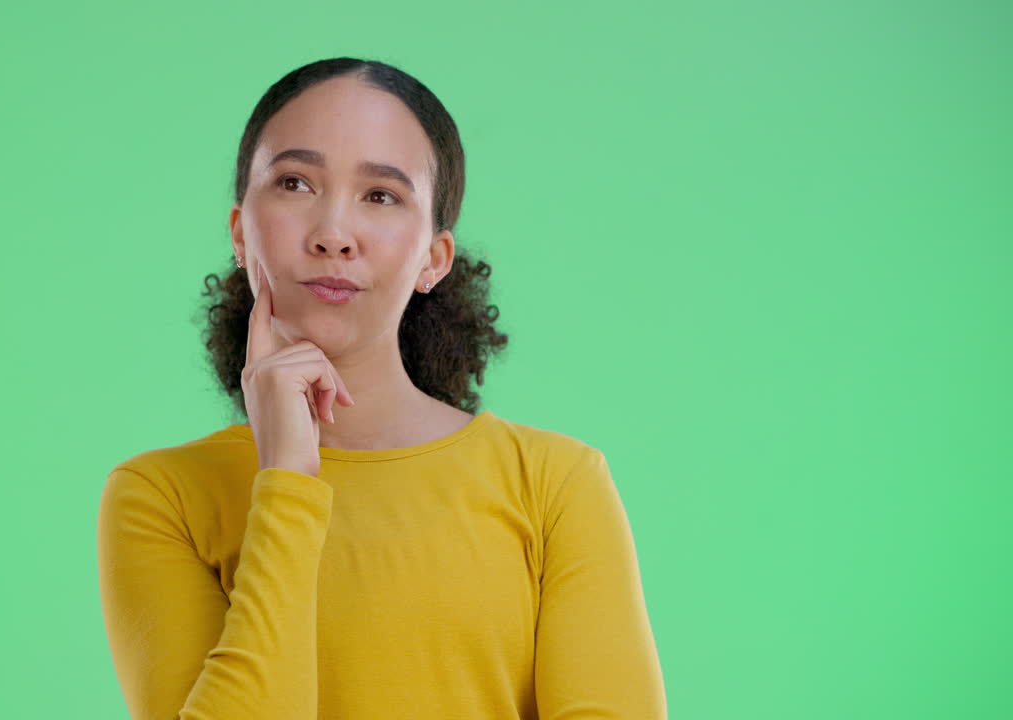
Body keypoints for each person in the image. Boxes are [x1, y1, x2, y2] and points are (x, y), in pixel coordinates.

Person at [97, 57, 667, 719]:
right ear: (238, 230)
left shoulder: (554, 483)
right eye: (294, 182)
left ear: (433, 258)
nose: (333, 235)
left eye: (381, 195)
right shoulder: (163, 497)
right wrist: (286, 481)